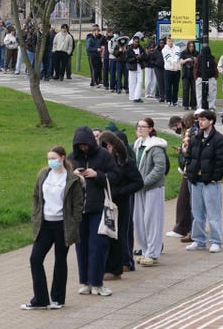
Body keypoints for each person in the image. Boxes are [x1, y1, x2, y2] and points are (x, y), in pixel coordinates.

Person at [20, 146, 83, 310]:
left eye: (54, 158)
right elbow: (36, 196)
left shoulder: (71, 179)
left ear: (62, 158)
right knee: (35, 258)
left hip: (63, 225)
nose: (51, 161)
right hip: (45, 225)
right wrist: (36, 215)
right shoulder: (43, 175)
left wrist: (74, 222)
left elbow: (78, 205)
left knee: (60, 260)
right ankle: (40, 299)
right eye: (49, 158)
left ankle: (58, 299)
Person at [68, 126, 118, 296]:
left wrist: (97, 175)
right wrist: (73, 175)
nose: (84, 148)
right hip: (79, 209)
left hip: (98, 207)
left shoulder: (103, 155)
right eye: (80, 145)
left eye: (86, 144)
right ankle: (84, 281)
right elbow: (62, 181)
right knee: (81, 246)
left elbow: (115, 175)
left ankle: (97, 282)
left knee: (98, 244)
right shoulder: (72, 158)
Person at [98, 131, 143, 280]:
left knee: (118, 235)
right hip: (104, 202)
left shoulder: (125, 162)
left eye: (107, 147)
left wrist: (120, 192)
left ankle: (117, 267)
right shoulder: (102, 162)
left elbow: (138, 182)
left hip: (120, 204)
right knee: (104, 234)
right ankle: (106, 265)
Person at [184, 110, 223, 253]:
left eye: (203, 119)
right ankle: (199, 240)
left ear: (211, 121)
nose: (200, 122)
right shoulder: (195, 138)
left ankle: (216, 241)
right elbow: (189, 156)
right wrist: (190, 171)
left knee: (213, 213)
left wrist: (214, 177)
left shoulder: (219, 140)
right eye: (199, 119)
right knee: (197, 213)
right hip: (195, 181)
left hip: (210, 182)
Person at [132, 118, 167, 266]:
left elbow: (160, 168)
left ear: (151, 129)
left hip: (153, 188)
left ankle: (153, 253)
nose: (140, 129)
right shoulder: (137, 145)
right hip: (139, 189)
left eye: (143, 127)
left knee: (152, 220)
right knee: (139, 220)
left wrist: (144, 182)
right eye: (138, 126)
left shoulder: (155, 146)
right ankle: (145, 249)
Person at [166, 112, 198, 242]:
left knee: (184, 201)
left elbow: (188, 152)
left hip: (188, 171)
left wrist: (183, 158)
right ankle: (190, 228)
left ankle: (182, 228)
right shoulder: (194, 132)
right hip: (191, 170)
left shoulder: (190, 133)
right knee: (190, 201)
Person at [194, 44, 218, 110]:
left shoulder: (212, 58)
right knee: (199, 93)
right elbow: (196, 68)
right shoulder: (199, 58)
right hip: (200, 77)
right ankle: (200, 106)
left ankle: (211, 106)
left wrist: (215, 76)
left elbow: (215, 67)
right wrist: (196, 77)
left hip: (211, 77)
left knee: (211, 93)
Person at [162, 37, 182, 106]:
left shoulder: (177, 48)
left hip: (177, 70)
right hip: (168, 70)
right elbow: (168, 58)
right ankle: (168, 100)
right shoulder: (164, 49)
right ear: (166, 41)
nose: (170, 42)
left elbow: (177, 55)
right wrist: (174, 63)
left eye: (171, 41)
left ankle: (175, 101)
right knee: (168, 86)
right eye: (169, 41)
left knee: (176, 86)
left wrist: (175, 62)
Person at [125, 36, 145, 103]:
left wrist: (141, 57)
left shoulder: (141, 48)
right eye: (135, 42)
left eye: (138, 42)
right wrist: (135, 58)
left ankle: (137, 97)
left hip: (139, 66)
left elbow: (145, 56)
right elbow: (127, 59)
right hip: (132, 67)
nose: (136, 43)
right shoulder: (129, 50)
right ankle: (133, 97)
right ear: (133, 42)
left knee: (140, 82)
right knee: (132, 83)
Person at [180, 40, 198, 109]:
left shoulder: (196, 53)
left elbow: (199, 62)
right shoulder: (184, 53)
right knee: (185, 89)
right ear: (187, 46)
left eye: (192, 46)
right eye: (190, 46)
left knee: (194, 89)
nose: (191, 48)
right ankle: (185, 105)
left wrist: (195, 59)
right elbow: (181, 62)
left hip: (194, 74)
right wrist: (187, 60)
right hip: (186, 73)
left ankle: (193, 104)